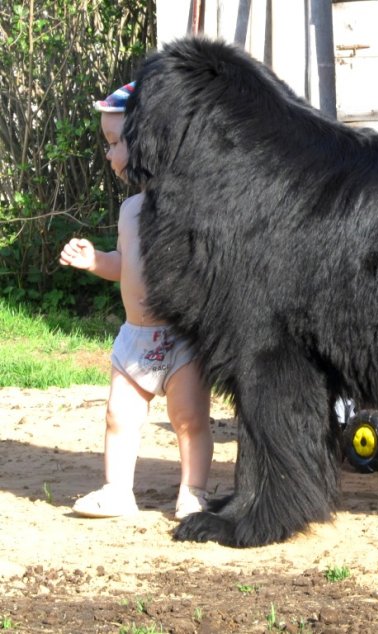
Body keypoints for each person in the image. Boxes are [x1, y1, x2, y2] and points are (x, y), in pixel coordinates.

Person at [59, 82, 213, 519]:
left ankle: (193, 492)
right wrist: (94, 261)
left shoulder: (187, 207)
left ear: (146, 141)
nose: (108, 155)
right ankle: (117, 490)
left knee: (189, 420)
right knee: (118, 417)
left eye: (113, 143)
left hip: (180, 338)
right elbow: (123, 265)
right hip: (134, 339)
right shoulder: (129, 210)